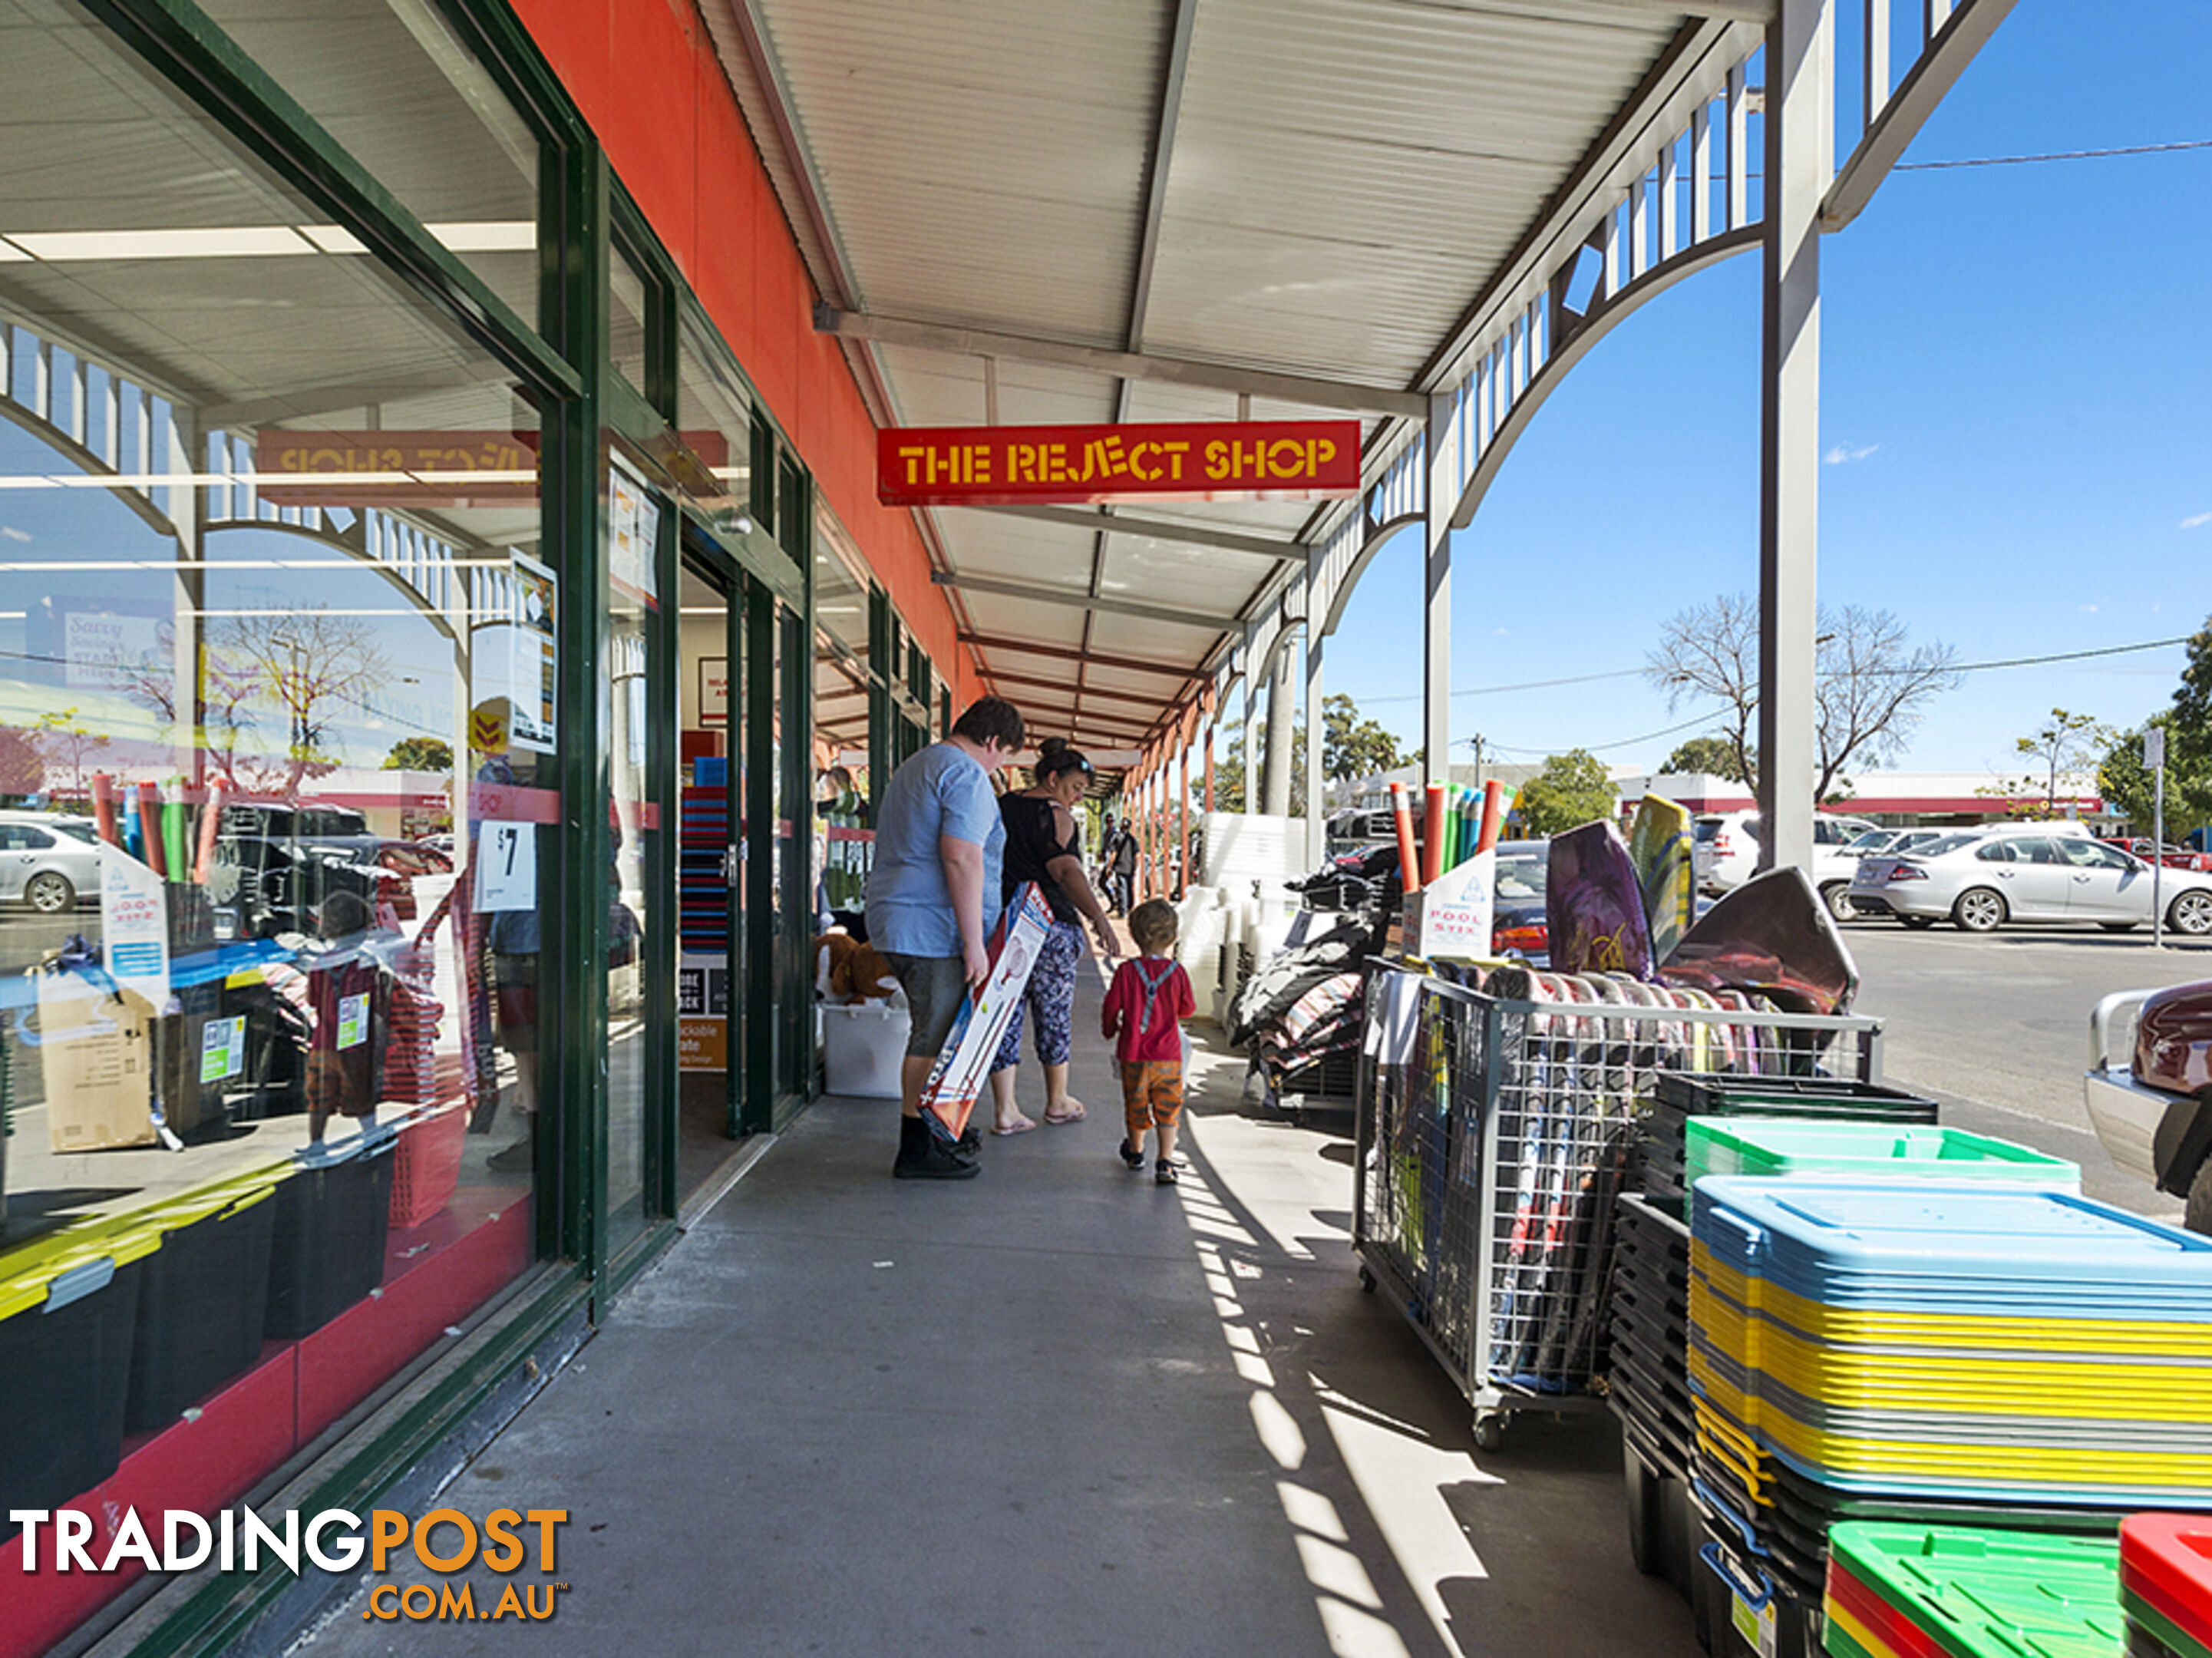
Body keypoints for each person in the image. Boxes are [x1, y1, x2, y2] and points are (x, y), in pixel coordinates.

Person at [864, 695, 1026, 1180]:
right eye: (1003, 756)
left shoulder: (919, 764)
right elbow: (961, 857)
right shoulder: (966, 774)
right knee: (932, 1038)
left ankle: (936, 1133)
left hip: (898, 917)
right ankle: (917, 1149)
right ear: (994, 741)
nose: (999, 768)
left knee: (932, 1034)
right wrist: (974, 940)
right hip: (931, 928)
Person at [985, 739, 1121, 1135]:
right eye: (1075, 786)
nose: (1078, 797)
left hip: (1006, 921)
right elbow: (1065, 871)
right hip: (1050, 924)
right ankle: (1057, 1100)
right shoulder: (1056, 815)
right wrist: (1098, 917)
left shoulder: (1004, 805)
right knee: (1054, 1011)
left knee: (1005, 1012)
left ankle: (1005, 1110)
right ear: (1052, 778)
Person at [1101, 897, 1195, 1185]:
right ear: (1173, 937)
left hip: (1133, 1053)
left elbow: (1111, 1007)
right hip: (1168, 1054)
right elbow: (1188, 1009)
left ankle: (1136, 1152)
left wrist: (1109, 1029)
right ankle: (1165, 1162)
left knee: (1136, 1103)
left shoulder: (1126, 972)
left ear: (1134, 934)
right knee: (1168, 1107)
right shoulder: (1177, 972)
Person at [1107, 814, 1138, 915]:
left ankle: (1123, 911)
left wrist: (1109, 867)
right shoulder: (1132, 839)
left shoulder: (1117, 838)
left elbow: (1114, 854)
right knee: (1129, 888)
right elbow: (1136, 855)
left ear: (1121, 826)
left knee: (1122, 889)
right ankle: (1130, 907)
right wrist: (1135, 868)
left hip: (1120, 867)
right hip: (1129, 867)